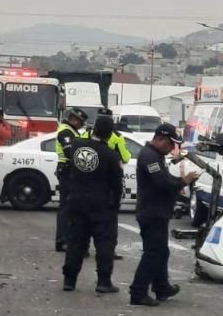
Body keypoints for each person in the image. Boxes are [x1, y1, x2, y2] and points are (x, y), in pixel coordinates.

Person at [129, 124, 199, 306]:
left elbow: (166, 180)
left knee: (161, 252)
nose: (171, 149)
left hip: (157, 211)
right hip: (152, 213)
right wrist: (184, 181)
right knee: (153, 252)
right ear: (160, 139)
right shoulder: (149, 156)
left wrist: (181, 181)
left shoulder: (156, 155)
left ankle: (161, 287)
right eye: (170, 144)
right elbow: (162, 184)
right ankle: (138, 292)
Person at [62, 115, 123, 293]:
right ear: (110, 133)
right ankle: (103, 281)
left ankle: (69, 280)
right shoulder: (111, 155)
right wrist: (115, 206)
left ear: (93, 128)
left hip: (76, 201)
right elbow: (117, 186)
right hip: (101, 205)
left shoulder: (76, 146)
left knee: (76, 242)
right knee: (105, 243)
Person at [54, 107, 89, 252]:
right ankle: (62, 240)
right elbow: (70, 151)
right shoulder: (66, 131)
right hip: (67, 170)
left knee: (70, 207)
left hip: (69, 171)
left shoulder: (71, 131)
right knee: (67, 208)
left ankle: (66, 239)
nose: (81, 125)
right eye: (80, 122)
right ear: (73, 119)